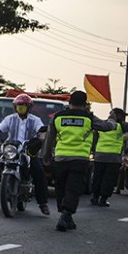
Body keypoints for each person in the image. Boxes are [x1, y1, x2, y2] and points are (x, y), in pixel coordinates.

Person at [42, 90, 116, 232]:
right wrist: (112, 119)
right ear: (85, 104)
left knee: (61, 187)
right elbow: (107, 127)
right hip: (80, 159)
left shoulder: (58, 117)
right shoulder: (88, 118)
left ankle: (65, 214)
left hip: (60, 159)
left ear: (69, 102)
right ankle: (66, 215)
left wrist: (46, 156)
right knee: (73, 188)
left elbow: (49, 138)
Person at [0, 93, 50, 215]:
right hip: (11, 151)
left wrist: (41, 137)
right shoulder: (9, 119)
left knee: (39, 172)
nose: (21, 108)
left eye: (24, 106)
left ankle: (43, 203)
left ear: (29, 107)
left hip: (27, 151)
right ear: (15, 107)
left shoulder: (35, 120)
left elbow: (41, 131)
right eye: (19, 106)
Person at [90, 107, 128, 207]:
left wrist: (93, 151)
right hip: (113, 157)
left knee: (97, 177)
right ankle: (103, 199)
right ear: (119, 116)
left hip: (99, 155)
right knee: (109, 179)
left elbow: (94, 139)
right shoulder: (121, 126)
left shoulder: (102, 125)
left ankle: (95, 197)